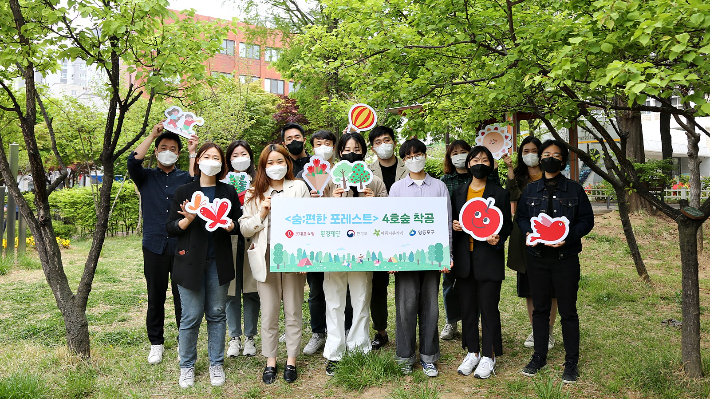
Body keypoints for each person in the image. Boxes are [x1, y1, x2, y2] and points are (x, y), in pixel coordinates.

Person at [518, 139, 594, 383]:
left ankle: (571, 361)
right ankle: (539, 356)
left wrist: (568, 237)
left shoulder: (574, 189)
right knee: (540, 309)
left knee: (568, 311)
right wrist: (529, 233)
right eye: (546, 154)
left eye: (556, 155)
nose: (551, 158)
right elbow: (521, 217)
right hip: (537, 258)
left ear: (563, 160)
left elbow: (586, 220)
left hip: (565, 258)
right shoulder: (530, 190)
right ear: (540, 158)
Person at [167, 142, 241, 388]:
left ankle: (216, 363)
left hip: (218, 262)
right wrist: (187, 221)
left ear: (222, 164)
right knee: (190, 315)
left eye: (216, 157)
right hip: (189, 261)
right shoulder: (183, 191)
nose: (211, 160)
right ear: (197, 160)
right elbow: (170, 227)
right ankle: (186, 366)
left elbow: (238, 223)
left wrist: (232, 226)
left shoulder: (228, 191)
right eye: (206, 156)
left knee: (217, 314)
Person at [239, 144, 310, 384]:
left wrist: (304, 257)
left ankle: (291, 359)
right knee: (268, 313)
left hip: (292, 258)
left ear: (287, 163)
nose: (275, 166)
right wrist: (261, 214)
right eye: (269, 163)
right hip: (265, 258)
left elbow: (308, 223)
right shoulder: (253, 193)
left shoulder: (299, 187)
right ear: (262, 167)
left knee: (293, 310)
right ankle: (270, 360)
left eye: (279, 161)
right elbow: (244, 228)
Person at [127, 122, 196, 365]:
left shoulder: (183, 177)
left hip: (180, 244)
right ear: (156, 152)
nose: (168, 151)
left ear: (178, 153)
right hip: (154, 244)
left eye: (173, 148)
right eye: (163, 147)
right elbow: (132, 161)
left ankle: (182, 341)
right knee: (155, 295)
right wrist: (152, 135)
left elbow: (195, 184)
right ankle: (156, 343)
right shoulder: (145, 176)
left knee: (182, 296)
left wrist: (192, 152)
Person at [320, 132, 388, 376]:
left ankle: (360, 347)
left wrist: (373, 201)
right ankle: (335, 352)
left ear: (364, 151)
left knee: (361, 299)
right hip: (333, 251)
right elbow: (313, 214)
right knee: (334, 301)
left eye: (357, 149)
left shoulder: (375, 181)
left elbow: (388, 216)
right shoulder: (328, 180)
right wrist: (330, 200)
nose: (352, 152)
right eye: (347, 148)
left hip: (364, 250)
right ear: (340, 152)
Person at [388, 138, 452, 377]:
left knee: (430, 307)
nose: (414, 159)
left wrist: (447, 255)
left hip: (432, 258)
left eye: (418, 154)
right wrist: (391, 257)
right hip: (405, 259)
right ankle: (405, 356)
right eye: (408, 156)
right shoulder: (397, 189)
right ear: (404, 161)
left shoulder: (439, 187)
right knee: (405, 307)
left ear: (425, 155)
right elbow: (391, 225)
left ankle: (428, 356)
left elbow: (446, 222)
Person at [451, 146, 512, 379]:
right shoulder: (458, 193)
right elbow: (453, 222)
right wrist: (454, 226)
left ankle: (489, 355)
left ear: (491, 165)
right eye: (475, 159)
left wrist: (498, 237)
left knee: (488, 309)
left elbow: (507, 225)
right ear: (468, 165)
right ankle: (472, 352)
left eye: (485, 160)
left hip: (488, 259)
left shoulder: (500, 193)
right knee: (467, 309)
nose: (480, 163)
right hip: (464, 261)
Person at [502, 136, 557, 350]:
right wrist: (509, 170)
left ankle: (549, 331)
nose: (530, 154)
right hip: (524, 236)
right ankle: (536, 329)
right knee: (529, 287)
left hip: (549, 235)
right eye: (525, 151)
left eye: (534, 150)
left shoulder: (552, 176)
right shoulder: (519, 177)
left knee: (550, 287)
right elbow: (511, 196)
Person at [366, 126, 408, 350]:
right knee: (378, 286)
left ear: (394, 141)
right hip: (376, 237)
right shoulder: (366, 171)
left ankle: (406, 329)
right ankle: (380, 331)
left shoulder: (408, 166)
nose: (384, 145)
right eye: (379, 142)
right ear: (372, 147)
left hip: (405, 235)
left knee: (406, 285)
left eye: (388, 140)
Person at [299, 129, 338, 356]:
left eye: (328, 143)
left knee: (341, 290)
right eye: (318, 143)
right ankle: (318, 333)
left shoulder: (344, 171)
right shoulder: (305, 174)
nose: (323, 147)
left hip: (341, 238)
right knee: (315, 290)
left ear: (334, 146)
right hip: (315, 240)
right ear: (312, 147)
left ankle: (340, 330)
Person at [224, 140, 260, 358]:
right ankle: (234, 337)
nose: (239, 158)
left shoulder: (259, 181)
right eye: (235, 155)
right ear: (229, 159)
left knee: (251, 290)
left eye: (243, 154)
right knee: (230, 291)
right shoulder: (222, 182)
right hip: (228, 240)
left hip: (252, 239)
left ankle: (250, 338)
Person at [438, 140, 471, 341]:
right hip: (450, 237)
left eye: (463, 152)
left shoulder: (479, 177)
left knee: (470, 281)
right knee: (449, 280)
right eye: (455, 153)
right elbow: (439, 209)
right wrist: (450, 223)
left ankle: (470, 321)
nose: (459, 155)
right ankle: (451, 322)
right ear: (449, 157)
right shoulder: (444, 180)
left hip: (475, 239)